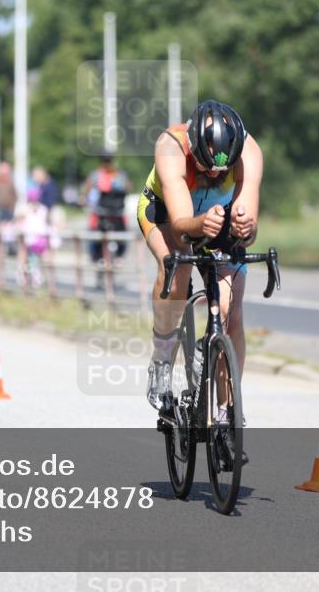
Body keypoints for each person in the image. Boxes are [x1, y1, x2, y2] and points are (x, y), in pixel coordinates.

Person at [136, 100, 262, 418]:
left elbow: (248, 230)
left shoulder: (249, 152)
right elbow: (181, 227)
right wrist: (201, 223)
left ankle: (226, 412)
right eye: (206, 167)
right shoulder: (171, 147)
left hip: (218, 214)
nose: (215, 174)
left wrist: (245, 227)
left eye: (223, 169)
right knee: (176, 268)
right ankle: (162, 360)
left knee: (231, 314)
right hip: (167, 211)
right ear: (194, 149)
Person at [83, 155, 130, 264]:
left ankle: (95, 257)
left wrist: (84, 199)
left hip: (102, 215)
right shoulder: (120, 175)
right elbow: (127, 188)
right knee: (122, 236)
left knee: (93, 236)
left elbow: (87, 191)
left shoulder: (96, 175)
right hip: (115, 214)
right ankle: (119, 257)